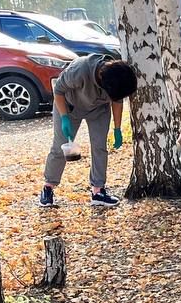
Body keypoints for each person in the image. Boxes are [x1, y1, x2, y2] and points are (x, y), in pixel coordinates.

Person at [38, 54, 137, 208]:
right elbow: (58, 91)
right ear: (101, 81)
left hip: (98, 110)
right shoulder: (80, 69)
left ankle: (98, 191)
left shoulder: (118, 77)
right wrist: (64, 117)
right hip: (69, 106)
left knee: (99, 147)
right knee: (60, 147)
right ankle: (48, 187)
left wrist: (117, 129)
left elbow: (117, 102)